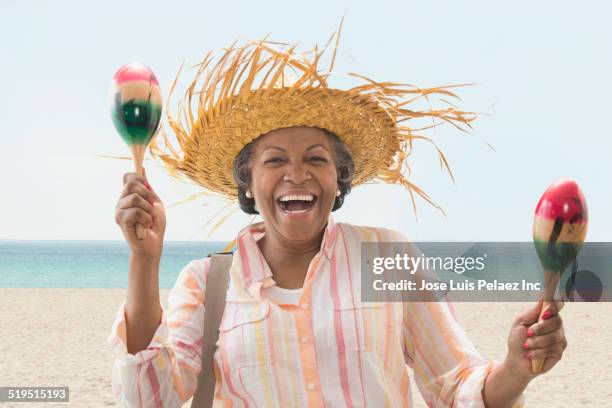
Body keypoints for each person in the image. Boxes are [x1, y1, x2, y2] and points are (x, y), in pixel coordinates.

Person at [108, 35, 567, 407]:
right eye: (274, 161)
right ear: (248, 183)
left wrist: (515, 369)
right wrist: (145, 259)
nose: (297, 173)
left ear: (338, 178)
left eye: (316, 158)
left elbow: (456, 386)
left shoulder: (387, 258)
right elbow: (148, 398)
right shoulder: (206, 283)